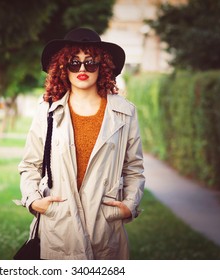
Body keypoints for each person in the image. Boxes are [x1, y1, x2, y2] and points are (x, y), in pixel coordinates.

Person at [18, 27, 145, 260]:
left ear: (103, 66)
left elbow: (134, 168)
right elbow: (29, 166)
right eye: (74, 63)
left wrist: (129, 204)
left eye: (91, 62)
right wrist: (35, 201)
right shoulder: (47, 110)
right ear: (63, 67)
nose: (83, 69)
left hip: (105, 230)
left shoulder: (125, 113)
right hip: (58, 229)